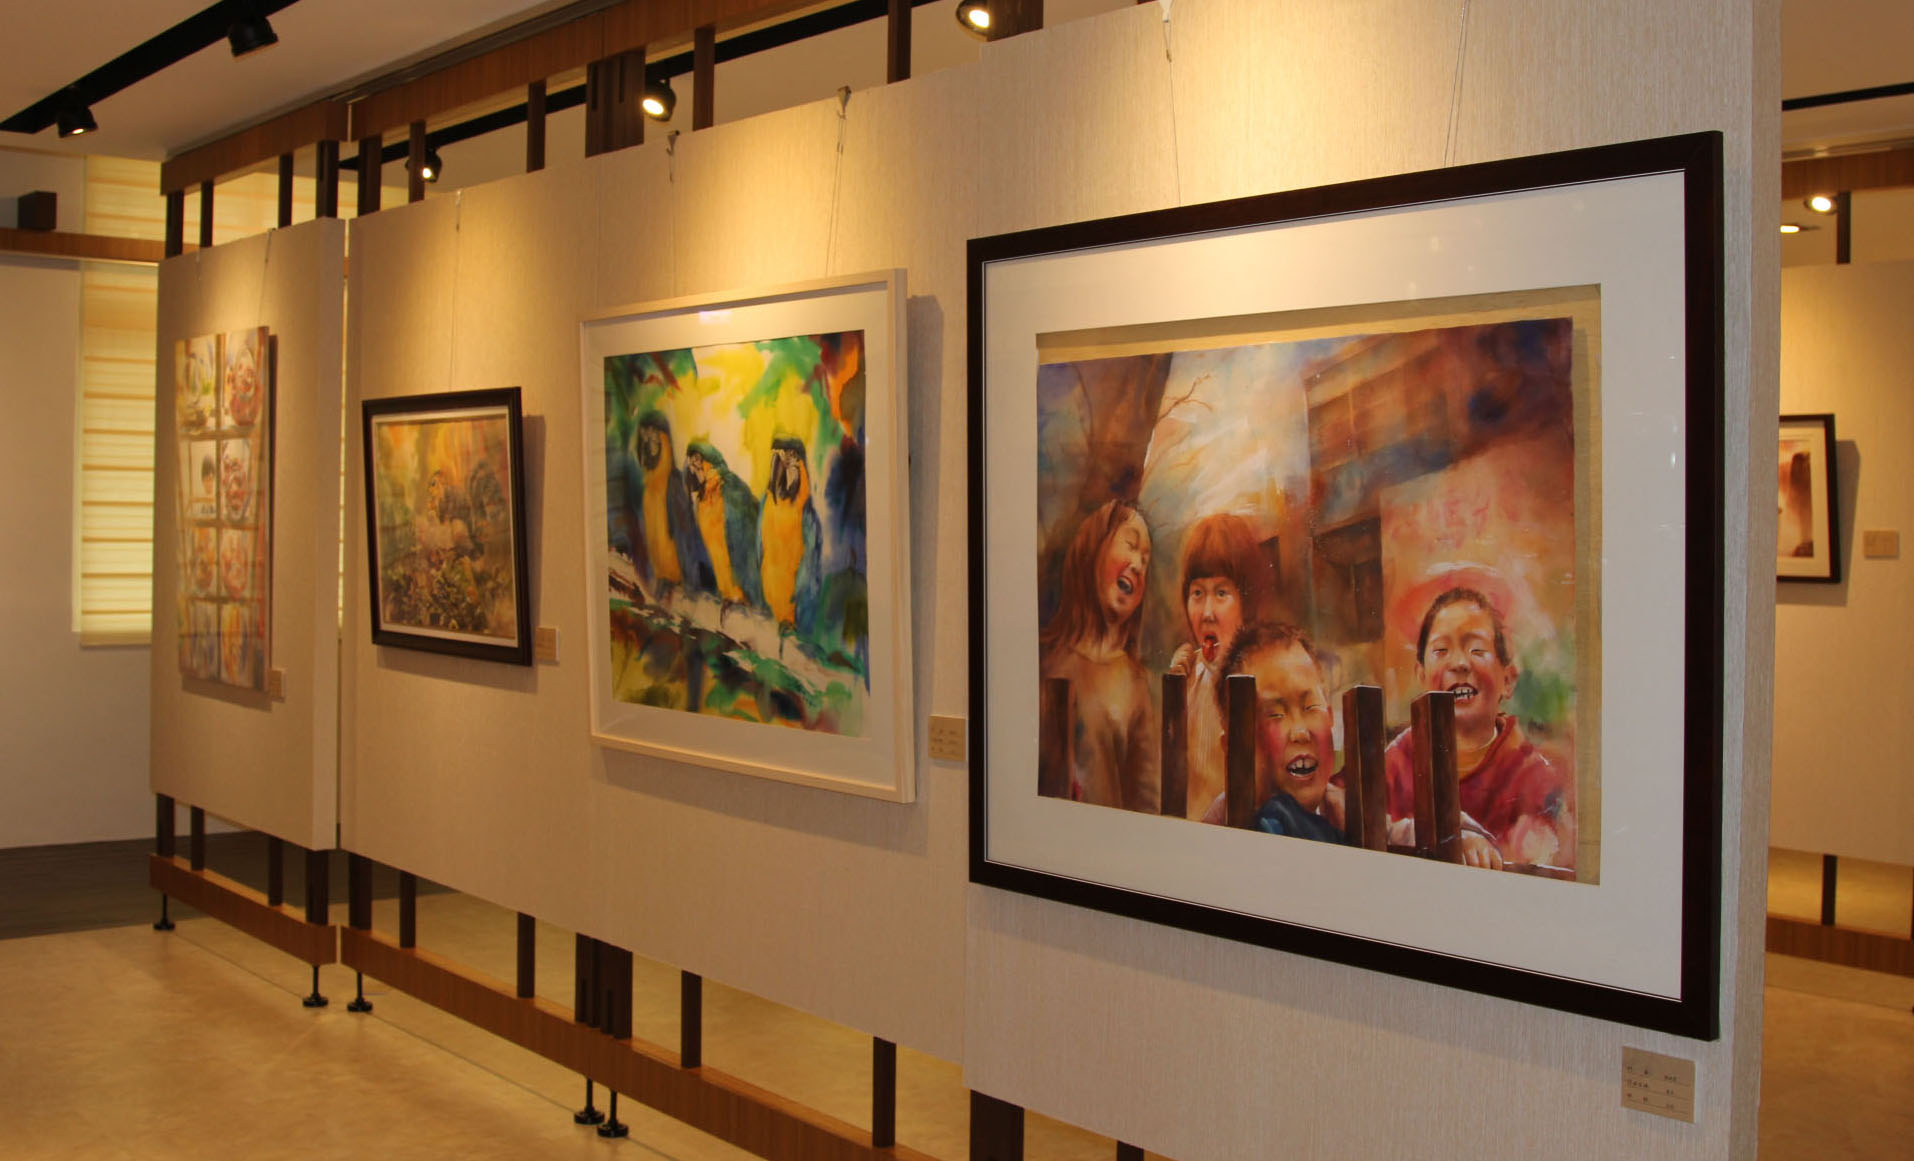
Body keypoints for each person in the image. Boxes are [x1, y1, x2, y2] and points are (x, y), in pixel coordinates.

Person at [1384, 587, 1575, 870]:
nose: (1459, 663)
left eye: (1477, 650)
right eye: (1441, 651)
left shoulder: (1533, 778)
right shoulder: (1396, 761)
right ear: (1421, 676)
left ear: (1507, 680)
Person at [1039, 499, 1160, 813]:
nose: (1138, 565)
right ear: (1093, 549)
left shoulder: (1134, 682)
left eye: (1145, 560)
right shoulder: (1045, 661)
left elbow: (1146, 798)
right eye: (1130, 545)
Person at [1167, 514, 1272, 821]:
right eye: (1198, 594)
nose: (1207, 613)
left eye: (1221, 593)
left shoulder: (1264, 679)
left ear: (1246, 602)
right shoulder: (1185, 677)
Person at [1214, 622, 1344, 843]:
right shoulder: (1216, 830)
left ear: (1330, 715)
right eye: (1274, 714)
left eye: (1311, 706)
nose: (1300, 732)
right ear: (1232, 748)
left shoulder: (1349, 814)